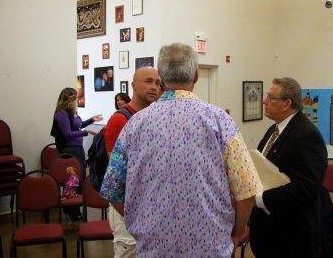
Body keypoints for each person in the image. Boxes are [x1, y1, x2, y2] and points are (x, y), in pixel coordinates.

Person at [100, 43, 262, 257]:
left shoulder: (134, 125)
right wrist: (236, 234)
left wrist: (139, 220)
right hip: (211, 248)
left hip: (154, 248)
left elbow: (112, 189)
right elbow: (247, 191)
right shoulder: (220, 122)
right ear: (195, 75)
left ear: (162, 79)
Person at [249, 77, 333, 258]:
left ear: (286, 103)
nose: (264, 102)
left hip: (290, 236)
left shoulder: (306, 135)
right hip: (269, 231)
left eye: (269, 97)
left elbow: (307, 188)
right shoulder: (274, 130)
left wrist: (260, 199)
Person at [104, 67, 161, 258]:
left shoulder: (155, 118)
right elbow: (116, 174)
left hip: (150, 206)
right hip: (127, 206)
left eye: (157, 82)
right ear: (133, 85)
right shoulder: (119, 120)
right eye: (148, 81)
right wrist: (131, 214)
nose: (154, 87)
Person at [51, 87, 102, 220]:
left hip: (77, 149)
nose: (77, 100)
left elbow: (78, 125)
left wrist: (91, 120)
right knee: (73, 180)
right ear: (68, 99)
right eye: (75, 98)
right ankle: (70, 209)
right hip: (69, 150)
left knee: (79, 179)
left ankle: (75, 207)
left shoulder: (73, 112)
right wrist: (86, 132)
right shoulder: (61, 114)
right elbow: (67, 134)